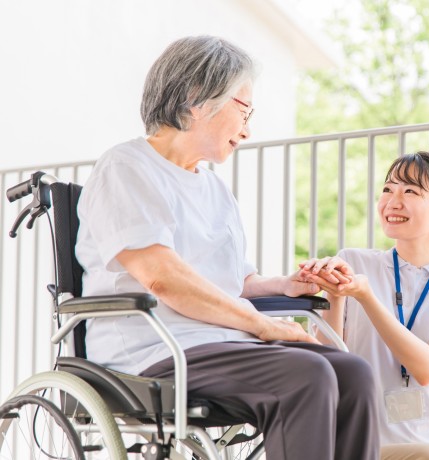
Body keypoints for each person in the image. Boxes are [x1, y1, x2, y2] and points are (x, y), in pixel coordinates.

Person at [75, 35, 379, 460]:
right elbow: (163, 278)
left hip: (221, 343)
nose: (249, 129)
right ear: (198, 97)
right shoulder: (127, 167)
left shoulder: (214, 187)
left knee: (353, 373)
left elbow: (232, 281)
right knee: (305, 374)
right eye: (245, 109)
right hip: (157, 350)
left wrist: (283, 285)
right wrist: (264, 325)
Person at [300, 151, 429, 460]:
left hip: (418, 448)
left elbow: (428, 368)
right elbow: (328, 359)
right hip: (348, 443)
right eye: (387, 189)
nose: (393, 202)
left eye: (410, 191)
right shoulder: (354, 262)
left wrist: (366, 296)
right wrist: (336, 294)